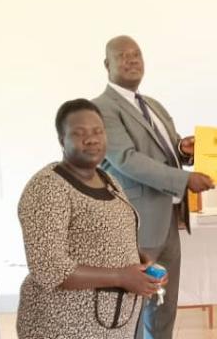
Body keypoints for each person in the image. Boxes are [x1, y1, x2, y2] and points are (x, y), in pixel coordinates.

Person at [92, 35, 213, 338]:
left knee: (163, 303)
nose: (132, 60)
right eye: (123, 56)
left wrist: (182, 150)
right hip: (136, 222)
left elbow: (164, 150)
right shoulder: (101, 108)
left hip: (169, 219)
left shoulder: (153, 105)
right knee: (132, 306)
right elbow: (126, 159)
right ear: (107, 65)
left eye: (137, 54)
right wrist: (184, 180)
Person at [16, 98, 164, 339]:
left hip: (109, 324)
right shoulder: (47, 187)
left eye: (98, 131)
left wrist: (138, 261)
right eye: (79, 133)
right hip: (64, 325)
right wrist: (121, 276)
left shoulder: (108, 180)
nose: (92, 139)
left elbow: (105, 237)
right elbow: (48, 268)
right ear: (62, 140)